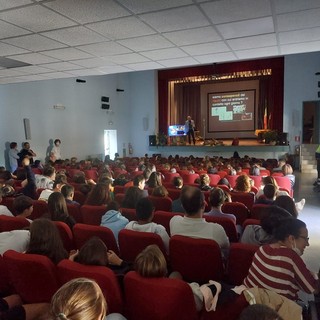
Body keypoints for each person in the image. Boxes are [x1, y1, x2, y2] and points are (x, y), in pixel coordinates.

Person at [243, 218, 319, 301]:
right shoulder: (291, 257)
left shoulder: (262, 249)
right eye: (305, 239)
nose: (307, 244)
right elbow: (313, 289)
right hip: (270, 310)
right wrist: (314, 275)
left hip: (248, 300)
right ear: (291, 239)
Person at [169, 186, 230, 258]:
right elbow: (227, 247)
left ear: (182, 206)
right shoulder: (217, 230)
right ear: (204, 206)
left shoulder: (174, 221)